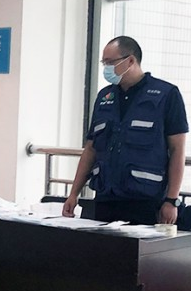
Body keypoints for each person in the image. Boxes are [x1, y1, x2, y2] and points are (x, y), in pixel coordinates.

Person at [63, 36, 188, 224]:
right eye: (104, 63)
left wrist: (172, 200)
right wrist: (74, 193)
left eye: (110, 62)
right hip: (106, 198)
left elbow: (178, 150)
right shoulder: (105, 97)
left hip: (145, 201)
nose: (106, 68)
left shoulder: (166, 95)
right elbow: (91, 149)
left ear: (130, 61)